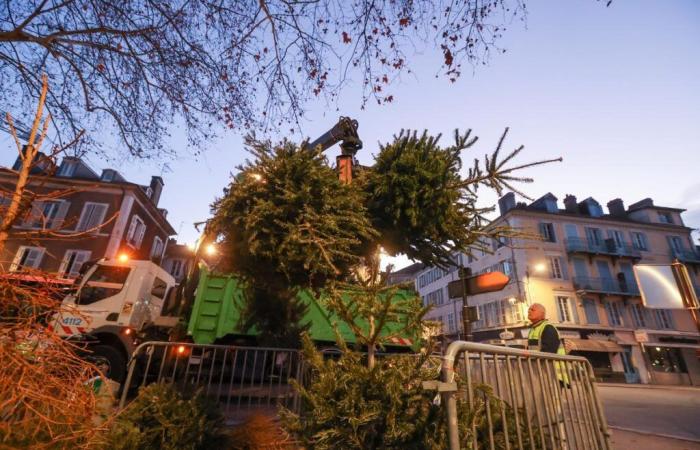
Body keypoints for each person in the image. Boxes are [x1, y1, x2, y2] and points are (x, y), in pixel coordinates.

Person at [527, 303, 569, 387]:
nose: (529, 311)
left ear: (542, 314)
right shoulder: (533, 329)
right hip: (543, 373)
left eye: (532, 310)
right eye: (529, 309)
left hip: (553, 374)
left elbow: (548, 352)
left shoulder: (548, 328)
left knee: (553, 399)